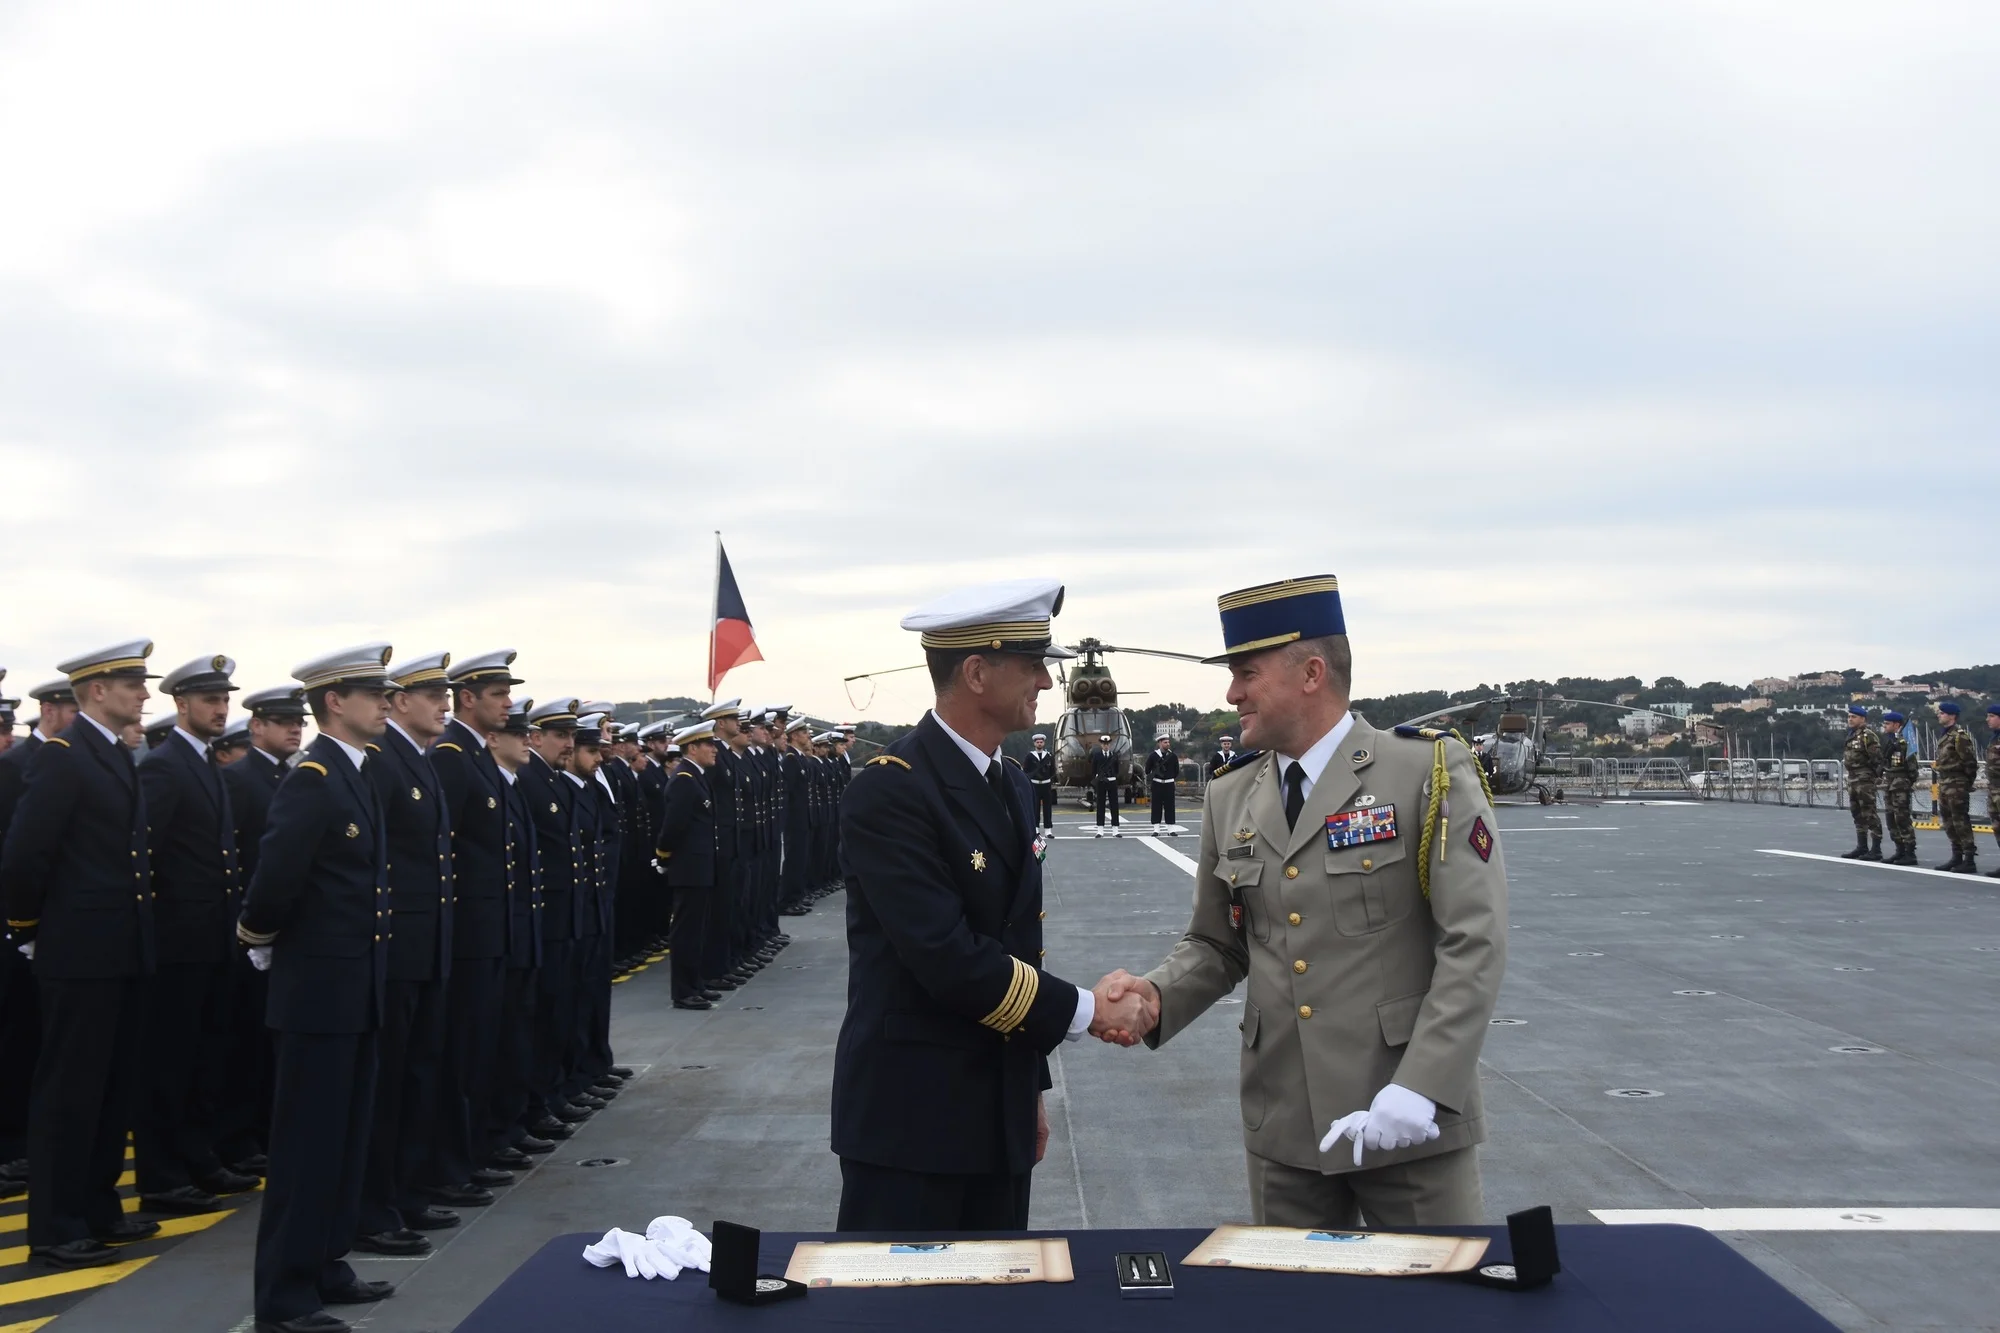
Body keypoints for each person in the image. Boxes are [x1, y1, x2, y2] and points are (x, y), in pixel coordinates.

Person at [1096, 575, 1508, 1228]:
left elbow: (1474, 940)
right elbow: (1217, 941)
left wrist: (1423, 1085)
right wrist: (1153, 996)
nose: (1232, 692)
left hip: (1407, 1121)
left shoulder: (1423, 771)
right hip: (1285, 1127)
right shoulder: (1232, 795)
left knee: (1439, 1309)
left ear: (1311, 672)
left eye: (1246, 673)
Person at [832, 577, 1144, 1230]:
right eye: (1033, 666)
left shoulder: (1011, 785)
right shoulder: (893, 793)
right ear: (977, 671)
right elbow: (950, 958)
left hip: (996, 1115)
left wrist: (1028, 1089)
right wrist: (1086, 1011)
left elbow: (1017, 948)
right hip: (912, 1125)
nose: (1047, 684)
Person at [237, 643, 397, 1333]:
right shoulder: (313, 777)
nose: (386, 703)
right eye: (375, 693)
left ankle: (327, 1261)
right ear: (336, 700)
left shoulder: (354, 771)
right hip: (318, 991)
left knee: (343, 1138)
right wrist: (259, 939)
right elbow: (275, 879)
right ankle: (283, 1295)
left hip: (355, 987)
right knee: (305, 1147)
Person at [0, 641, 160, 1271]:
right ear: (97, 690)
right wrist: (29, 928)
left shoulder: (110, 754)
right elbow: (24, 856)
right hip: (78, 949)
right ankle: (56, 1226)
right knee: (69, 1091)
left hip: (117, 948)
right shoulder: (66, 759)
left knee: (111, 1087)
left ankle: (98, 1208)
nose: (143, 695)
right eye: (132, 685)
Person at [134, 654, 254, 1215]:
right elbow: (144, 856)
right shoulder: (163, 767)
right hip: (179, 940)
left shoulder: (204, 763)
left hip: (212, 938)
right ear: (179, 705)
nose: (220, 708)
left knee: (208, 1055)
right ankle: (162, 1175)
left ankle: (199, 1158)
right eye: (209, 700)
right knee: (170, 1060)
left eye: (224, 700)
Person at [355, 651, 463, 1257]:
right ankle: (377, 1207)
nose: (443, 703)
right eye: (431, 695)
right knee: (389, 1083)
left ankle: (406, 1193)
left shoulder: (414, 761)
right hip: (395, 951)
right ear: (399, 703)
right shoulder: (382, 762)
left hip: (424, 950)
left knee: (416, 1076)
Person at [427, 651, 522, 1204]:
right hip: (465, 934)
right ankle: (452, 1163)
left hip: (488, 929)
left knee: (480, 1049)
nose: (508, 703)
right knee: (460, 1054)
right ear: (469, 698)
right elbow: (446, 850)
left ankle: (473, 1150)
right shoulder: (451, 757)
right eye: (498, 694)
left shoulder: (473, 754)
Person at [215, 686, 309, 1178]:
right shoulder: (238, 779)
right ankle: (237, 1137)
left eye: (298, 721)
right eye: (281, 720)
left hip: (280, 934)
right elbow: (233, 859)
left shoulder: (286, 777)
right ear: (256, 728)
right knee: (243, 1044)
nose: (294, 728)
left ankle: (259, 1133)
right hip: (249, 930)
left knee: (267, 1045)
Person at [517, 698, 590, 1140]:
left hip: (566, 915)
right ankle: (540, 1099)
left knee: (562, 1009)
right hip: (544, 918)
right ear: (535, 737)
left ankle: (557, 1090)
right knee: (542, 1016)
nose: (568, 744)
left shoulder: (557, 782)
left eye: (570, 736)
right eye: (560, 736)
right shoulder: (530, 781)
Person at [485, 699, 553, 1167]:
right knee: (496, 1042)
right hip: (491, 937)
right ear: (493, 738)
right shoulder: (495, 782)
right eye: (517, 733)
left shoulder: (510, 785)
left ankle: (515, 1121)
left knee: (519, 1033)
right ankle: (496, 1133)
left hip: (518, 931)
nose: (527, 740)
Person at [656, 720, 722, 1009]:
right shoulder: (684, 779)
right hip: (688, 869)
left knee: (698, 929)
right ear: (692, 748)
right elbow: (673, 827)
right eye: (709, 745)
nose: (714, 750)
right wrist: (663, 857)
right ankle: (683, 991)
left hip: (700, 867)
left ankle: (694, 983)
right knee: (686, 931)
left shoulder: (696, 776)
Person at [1934, 701, 1979, 873]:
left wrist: (1966, 783)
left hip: (1957, 783)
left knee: (1960, 821)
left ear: (1952, 716)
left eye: (1943, 713)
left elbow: (1970, 763)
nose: (1939, 715)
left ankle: (1968, 858)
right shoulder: (1945, 735)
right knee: (1949, 822)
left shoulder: (1959, 736)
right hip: (1945, 783)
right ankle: (1956, 855)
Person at [1839, 704, 1884, 861]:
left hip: (1864, 779)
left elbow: (1877, 759)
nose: (1850, 719)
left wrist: (1873, 776)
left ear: (1863, 719)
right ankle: (1862, 846)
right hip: (1853, 778)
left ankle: (1876, 849)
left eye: (1854, 717)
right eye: (1849, 716)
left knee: (1869, 813)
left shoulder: (1868, 736)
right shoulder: (1852, 735)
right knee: (1857, 813)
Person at [1879, 711, 1919, 866]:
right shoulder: (1890, 742)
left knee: (1902, 818)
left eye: (1888, 724)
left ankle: (1910, 852)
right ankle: (1899, 849)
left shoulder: (1904, 743)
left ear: (1896, 725)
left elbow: (1912, 768)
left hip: (1900, 785)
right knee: (1891, 818)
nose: (1885, 726)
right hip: (1890, 784)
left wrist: (1906, 783)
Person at [1022, 734, 1057, 834]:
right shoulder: (1030, 756)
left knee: (1047, 808)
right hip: (1035, 784)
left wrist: (1049, 779)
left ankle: (1048, 831)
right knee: (1035, 808)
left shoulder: (1049, 756)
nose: (1039, 744)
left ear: (1044, 743)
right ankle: (1036, 829)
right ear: (1034, 743)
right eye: (1037, 742)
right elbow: (1026, 770)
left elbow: (1052, 771)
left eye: (1041, 742)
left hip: (1046, 784)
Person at [1090, 733, 1122, 837]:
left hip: (1112, 781)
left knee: (1114, 805)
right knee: (1100, 805)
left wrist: (1112, 776)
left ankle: (1115, 830)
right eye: (1104, 744)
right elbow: (1093, 770)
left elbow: (1117, 770)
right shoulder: (1097, 756)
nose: (1106, 745)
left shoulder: (1114, 755)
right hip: (1101, 782)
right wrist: (1099, 778)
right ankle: (1100, 830)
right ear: (1101, 744)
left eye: (1107, 743)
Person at [1146, 735, 1179, 833]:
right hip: (1157, 783)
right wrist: (1156, 772)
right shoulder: (1153, 756)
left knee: (1170, 806)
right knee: (1156, 806)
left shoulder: (1172, 756)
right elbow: (1147, 770)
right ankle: (1156, 829)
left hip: (1169, 783)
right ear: (1159, 743)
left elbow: (1176, 771)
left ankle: (1171, 829)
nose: (1167, 744)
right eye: (1165, 742)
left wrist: (1169, 776)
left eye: (1168, 742)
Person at [1987, 705, 2000, 878]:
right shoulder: (1994, 739)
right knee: (1997, 826)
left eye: (1991, 716)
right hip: (1994, 787)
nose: (1988, 719)